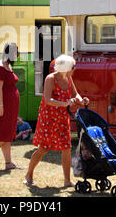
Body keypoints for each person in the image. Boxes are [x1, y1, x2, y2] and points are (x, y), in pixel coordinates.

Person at [24, 54, 89, 187]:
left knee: (66, 147)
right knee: (43, 148)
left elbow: (74, 94)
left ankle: (67, 180)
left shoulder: (68, 78)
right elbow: (48, 100)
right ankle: (29, 174)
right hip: (48, 117)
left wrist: (81, 100)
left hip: (62, 117)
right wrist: (65, 104)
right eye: (73, 67)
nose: (75, 69)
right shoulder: (50, 79)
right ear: (66, 68)